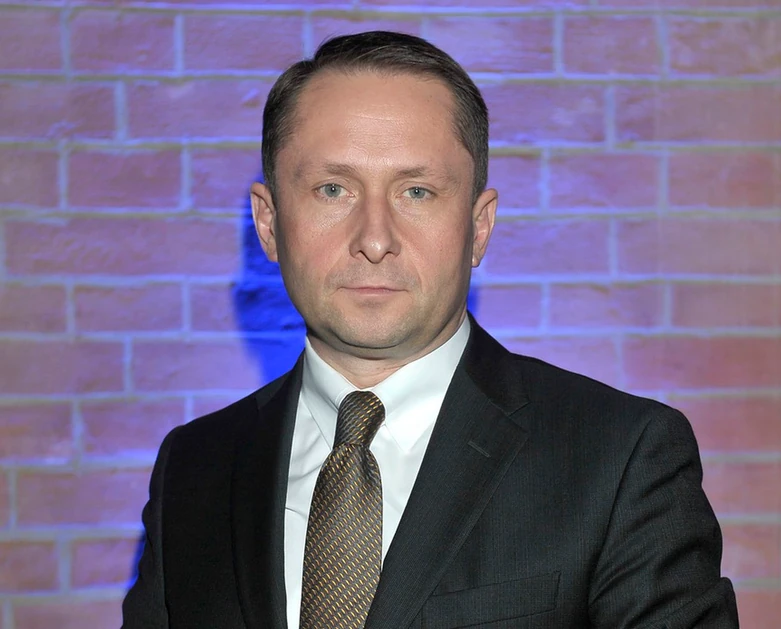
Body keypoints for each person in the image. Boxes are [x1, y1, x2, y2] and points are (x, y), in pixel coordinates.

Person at [121, 31, 739, 629]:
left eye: (416, 192)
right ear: (268, 222)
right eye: (333, 189)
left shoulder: (621, 458)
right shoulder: (193, 469)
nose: (374, 239)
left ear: (479, 227)